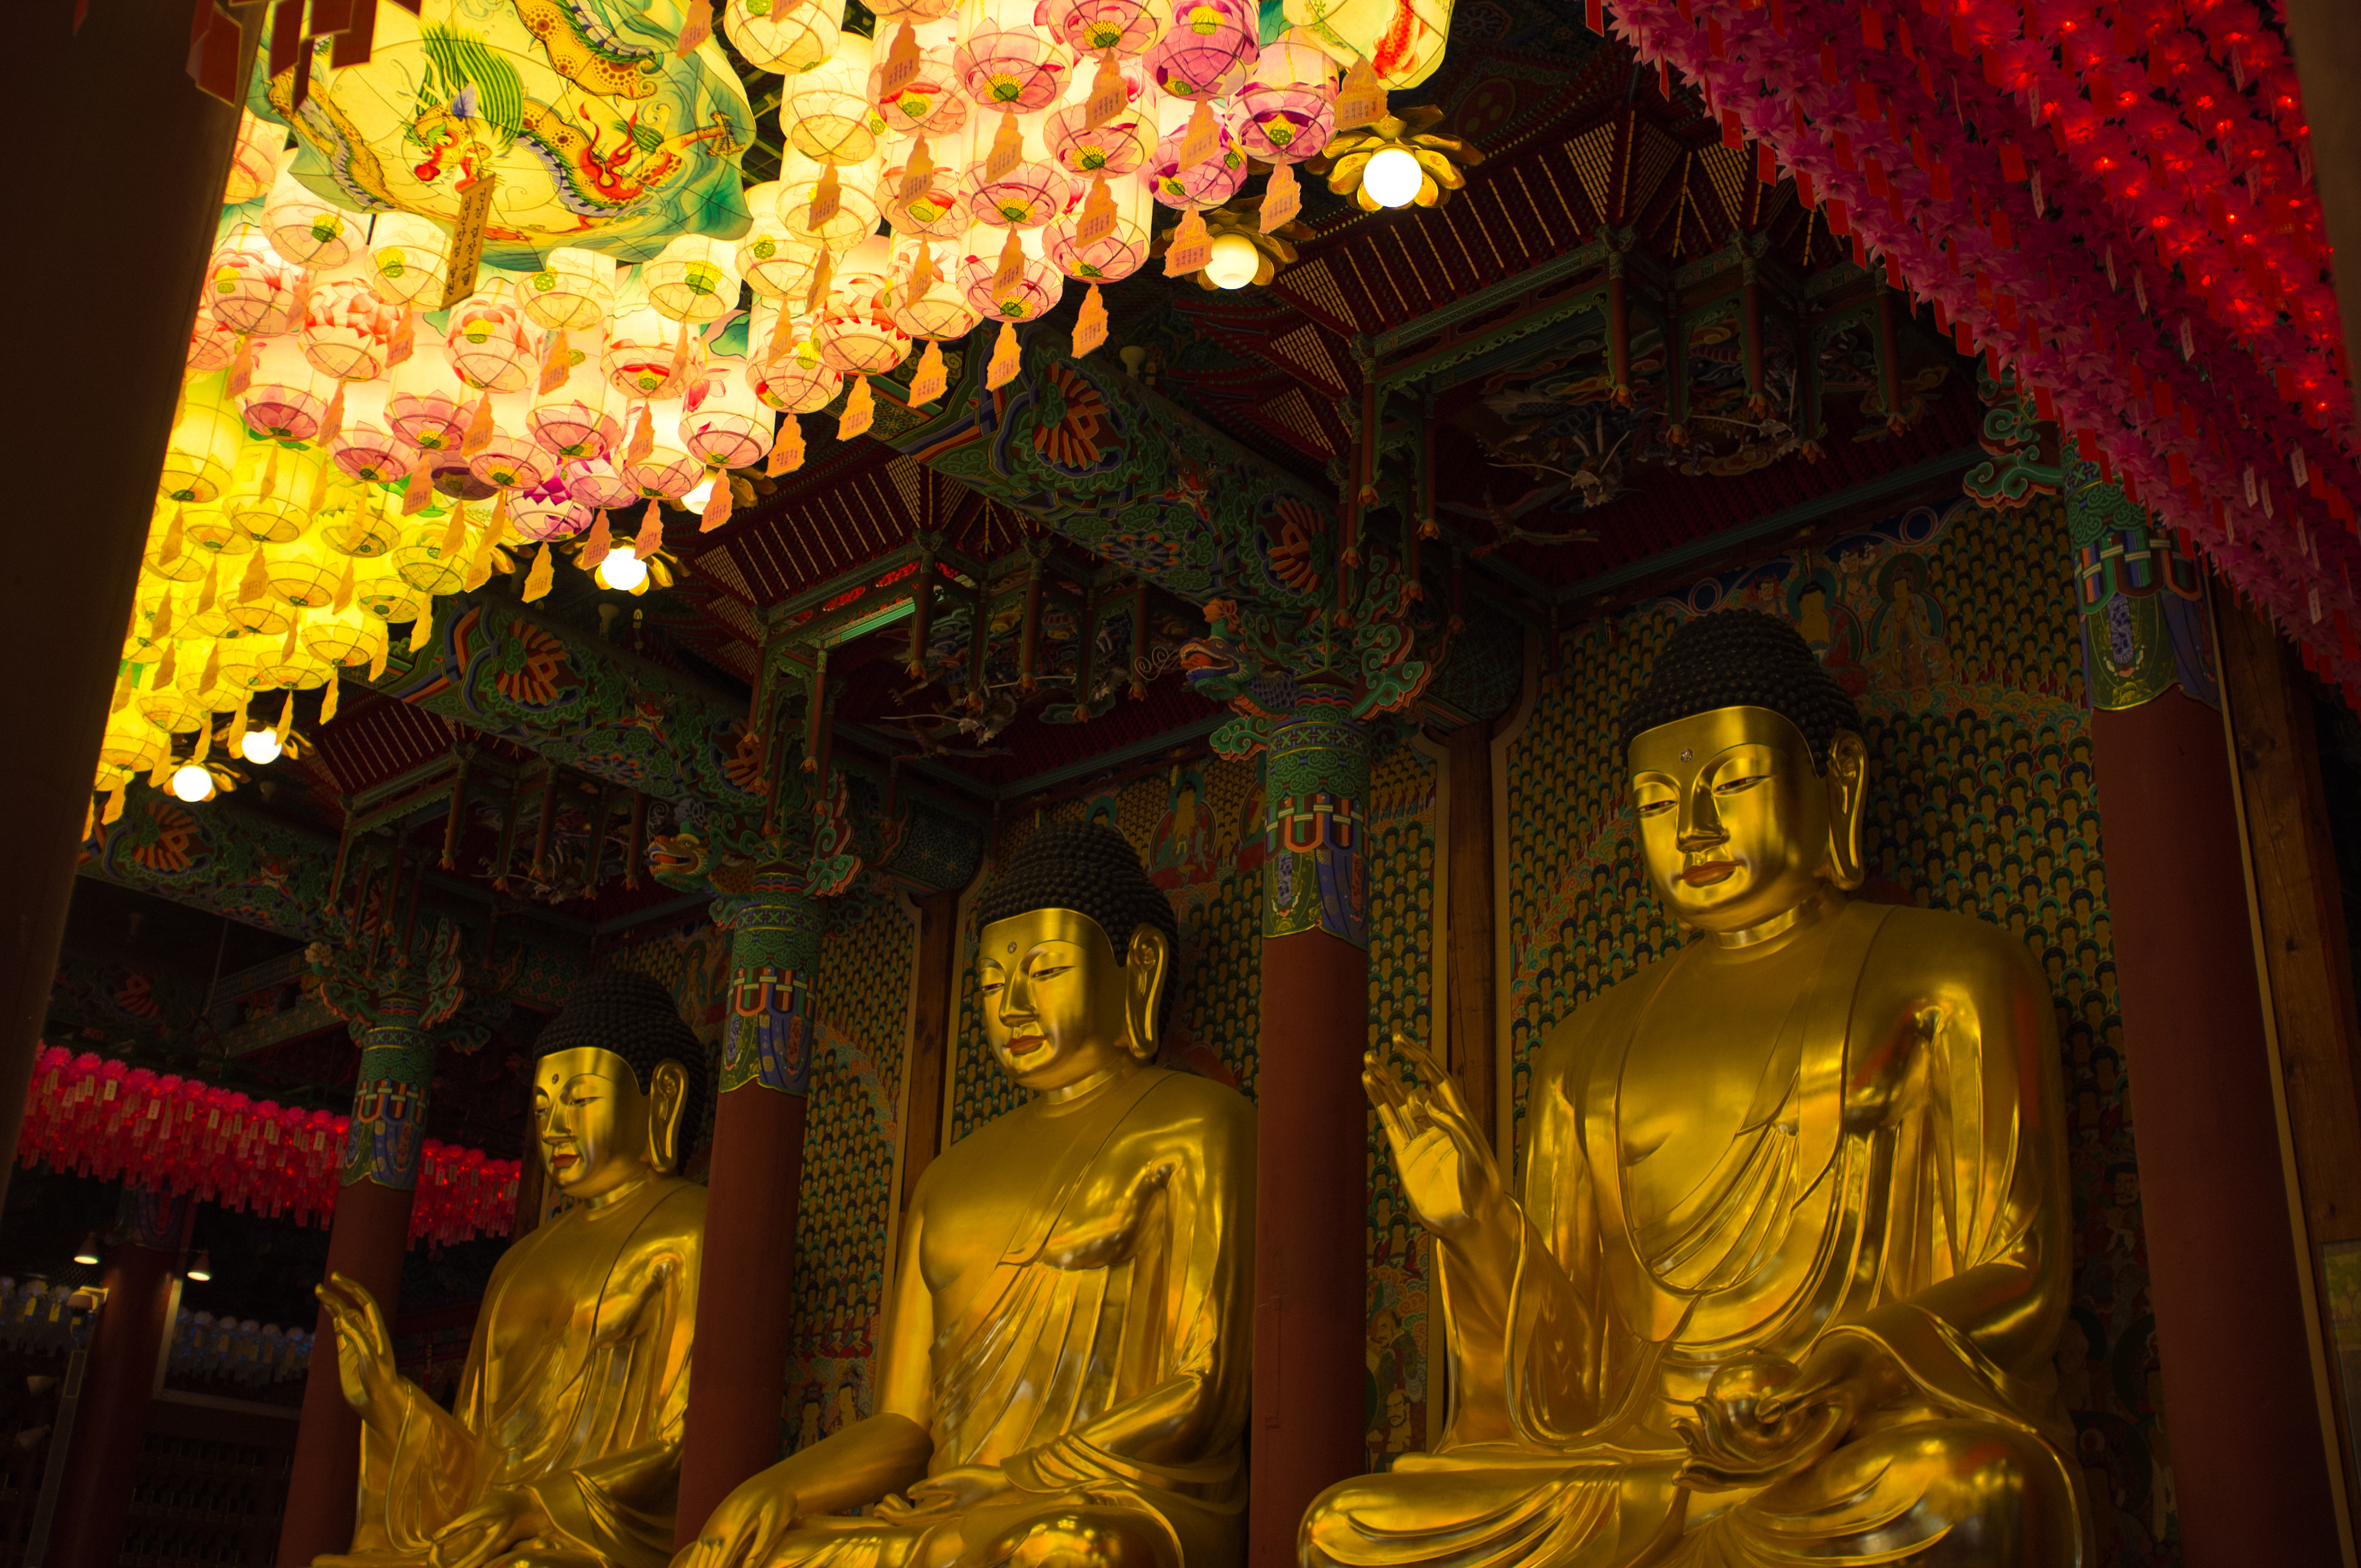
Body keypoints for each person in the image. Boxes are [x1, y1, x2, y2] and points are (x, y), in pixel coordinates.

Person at [1303, 609, 2090, 1567]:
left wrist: (1834, 1372)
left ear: (1834, 783)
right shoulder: (1584, 1045)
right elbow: (1574, 1375)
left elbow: (2019, 1275)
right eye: (1655, 801)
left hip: (1840, 1435)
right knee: (1350, 1526)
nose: (1696, 829)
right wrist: (1473, 1223)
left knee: (1962, 1489)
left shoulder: (1950, 972)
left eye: (1735, 781)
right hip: (1635, 1459)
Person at [682, 821, 1255, 1568]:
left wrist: (1014, 1480)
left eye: (1045, 970)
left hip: (1117, 1502)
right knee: (761, 1555)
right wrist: (779, 1489)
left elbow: (1200, 1387)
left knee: (1061, 1552)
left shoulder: (1200, 1122)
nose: (1011, 1004)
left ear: (1138, 968)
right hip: (956, 1509)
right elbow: (902, 1422)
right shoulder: (951, 1173)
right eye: (990, 982)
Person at [315, 968, 709, 1568]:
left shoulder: (691, 1227)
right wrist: (389, 1400)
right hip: (497, 1526)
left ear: (665, 1094)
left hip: (596, 1535)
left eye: (579, 1099)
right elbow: (478, 1458)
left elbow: (684, 1444)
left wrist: (534, 1506)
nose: (553, 1126)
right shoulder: (519, 1260)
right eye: (544, 1104)